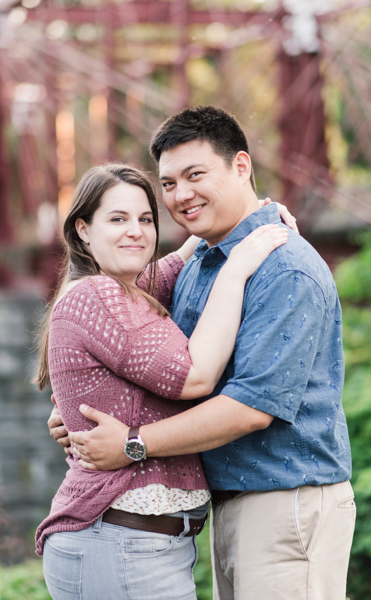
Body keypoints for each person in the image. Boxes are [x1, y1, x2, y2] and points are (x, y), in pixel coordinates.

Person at [48, 106, 354, 600]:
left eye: (195, 175)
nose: (181, 195)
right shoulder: (201, 265)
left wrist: (132, 440)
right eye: (168, 184)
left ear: (241, 166)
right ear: (83, 229)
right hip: (227, 507)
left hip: (285, 501)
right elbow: (119, 335)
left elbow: (251, 408)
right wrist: (77, 408)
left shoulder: (283, 269)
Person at [35, 163, 287, 600]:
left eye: (146, 219)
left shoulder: (121, 288)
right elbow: (193, 377)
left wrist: (244, 215)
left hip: (135, 546)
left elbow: (171, 266)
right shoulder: (100, 296)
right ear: (83, 230)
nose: (136, 231)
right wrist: (237, 267)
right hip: (121, 547)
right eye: (117, 219)